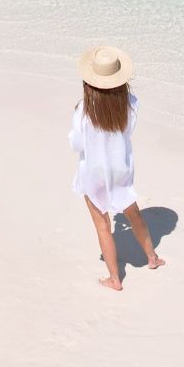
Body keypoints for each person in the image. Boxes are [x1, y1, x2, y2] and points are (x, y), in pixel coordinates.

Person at [69, 45, 166, 291]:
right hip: (120, 170)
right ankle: (152, 258)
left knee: (103, 225)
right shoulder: (131, 103)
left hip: (93, 174)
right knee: (134, 214)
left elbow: (77, 143)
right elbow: (128, 131)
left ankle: (114, 278)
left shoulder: (83, 111)